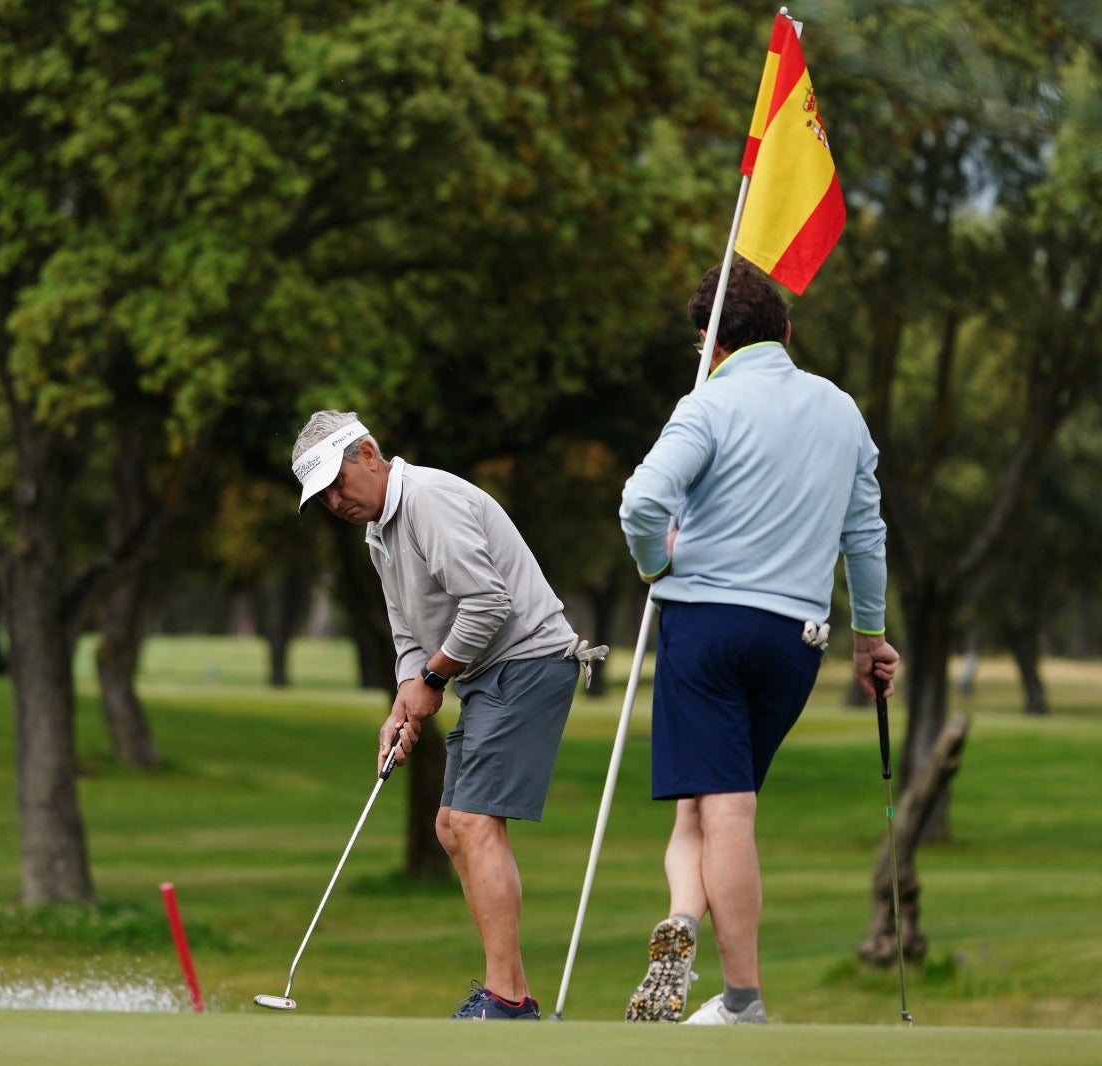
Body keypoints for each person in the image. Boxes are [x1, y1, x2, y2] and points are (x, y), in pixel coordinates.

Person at [617, 258, 900, 1025]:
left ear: (709, 345)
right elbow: (864, 536)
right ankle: (682, 914)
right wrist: (869, 637)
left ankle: (741, 998)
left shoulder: (706, 402)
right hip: (794, 642)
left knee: (723, 808)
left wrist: (657, 564)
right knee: (705, 808)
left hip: (705, 625)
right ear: (786, 330)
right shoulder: (842, 411)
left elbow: (642, 502)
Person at [291, 410, 604, 1021]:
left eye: (337, 482)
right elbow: (406, 629)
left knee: (473, 820)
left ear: (371, 455)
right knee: (449, 827)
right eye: (321, 494)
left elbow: (488, 603)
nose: (334, 501)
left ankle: (505, 998)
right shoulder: (378, 531)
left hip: (529, 659)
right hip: (489, 672)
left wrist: (434, 679)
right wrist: (404, 698)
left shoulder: (428, 499)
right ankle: (512, 993)